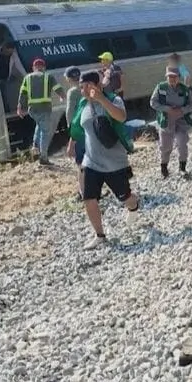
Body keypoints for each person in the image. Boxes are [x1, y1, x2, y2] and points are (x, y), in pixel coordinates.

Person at [70, 70, 140, 250]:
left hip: (114, 162)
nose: (84, 90)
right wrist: (71, 143)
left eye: (87, 86)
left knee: (125, 197)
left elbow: (121, 117)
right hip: (91, 161)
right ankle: (100, 235)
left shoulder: (113, 100)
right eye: (81, 87)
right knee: (88, 198)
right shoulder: (83, 104)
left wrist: (101, 99)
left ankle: (133, 205)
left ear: (98, 85)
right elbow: (78, 126)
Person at [149, 66, 192, 178]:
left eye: (174, 77)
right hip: (166, 120)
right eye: (170, 76)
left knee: (182, 144)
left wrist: (182, 110)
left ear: (179, 77)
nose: (172, 79)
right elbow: (153, 102)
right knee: (165, 146)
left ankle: (182, 168)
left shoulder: (184, 89)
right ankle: (164, 168)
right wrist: (167, 109)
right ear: (166, 77)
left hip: (181, 121)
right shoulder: (160, 87)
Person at [17, 58, 66, 165]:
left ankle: (35, 145)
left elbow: (22, 93)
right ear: (44, 67)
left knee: (39, 125)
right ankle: (43, 157)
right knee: (45, 132)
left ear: (33, 68)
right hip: (44, 108)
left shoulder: (27, 77)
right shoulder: (48, 76)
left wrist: (20, 107)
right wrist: (63, 96)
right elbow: (57, 88)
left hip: (32, 110)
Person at [63, 66, 85, 198]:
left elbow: (70, 113)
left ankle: (83, 192)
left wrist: (71, 133)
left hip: (79, 130)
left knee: (81, 163)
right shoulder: (87, 87)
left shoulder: (72, 92)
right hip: (90, 127)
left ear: (68, 79)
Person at [0, 41, 27, 113]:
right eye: (8, 52)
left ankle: (6, 109)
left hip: (4, 78)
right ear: (4, 48)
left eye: (11, 52)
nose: (9, 54)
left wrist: (26, 76)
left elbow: (19, 66)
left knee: (4, 95)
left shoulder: (13, 55)